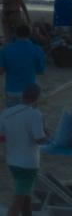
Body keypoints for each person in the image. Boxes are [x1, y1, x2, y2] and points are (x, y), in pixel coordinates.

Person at [3, 84, 45, 216]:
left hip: (12, 161)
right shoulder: (35, 114)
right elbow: (39, 139)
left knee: (26, 197)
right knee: (19, 199)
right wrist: (46, 133)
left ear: (22, 96)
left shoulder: (7, 112)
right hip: (28, 163)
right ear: (38, 97)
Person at [1, 27, 43, 109]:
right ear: (29, 34)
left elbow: (1, 70)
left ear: (16, 34)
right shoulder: (37, 49)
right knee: (29, 117)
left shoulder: (5, 49)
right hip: (30, 92)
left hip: (12, 90)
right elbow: (40, 70)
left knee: (12, 117)